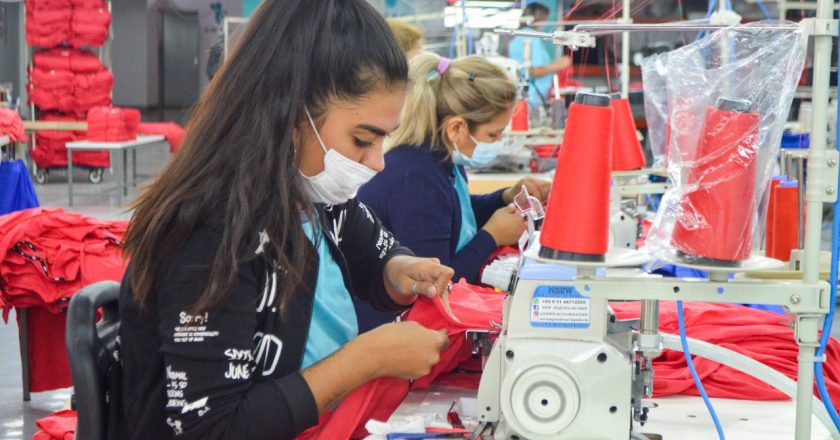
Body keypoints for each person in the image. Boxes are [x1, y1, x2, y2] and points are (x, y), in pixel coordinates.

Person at [112, 1, 454, 439]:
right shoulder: (211, 233)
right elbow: (210, 428)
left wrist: (401, 270)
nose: (377, 163)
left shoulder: (315, 196)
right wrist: (365, 360)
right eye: (363, 139)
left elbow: (375, 258)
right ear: (290, 115)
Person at [357, 53, 550, 330]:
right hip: (388, 327)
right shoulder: (417, 178)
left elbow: (452, 212)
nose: (498, 143)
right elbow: (435, 281)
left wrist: (505, 197)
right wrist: (491, 237)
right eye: (493, 136)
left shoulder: (441, 159)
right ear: (457, 127)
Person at [508, 1, 573, 107]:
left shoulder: (517, 37)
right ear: (539, 19)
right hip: (532, 96)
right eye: (545, 19)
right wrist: (559, 65)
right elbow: (533, 70)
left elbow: (530, 66)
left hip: (522, 94)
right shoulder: (532, 37)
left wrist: (556, 63)